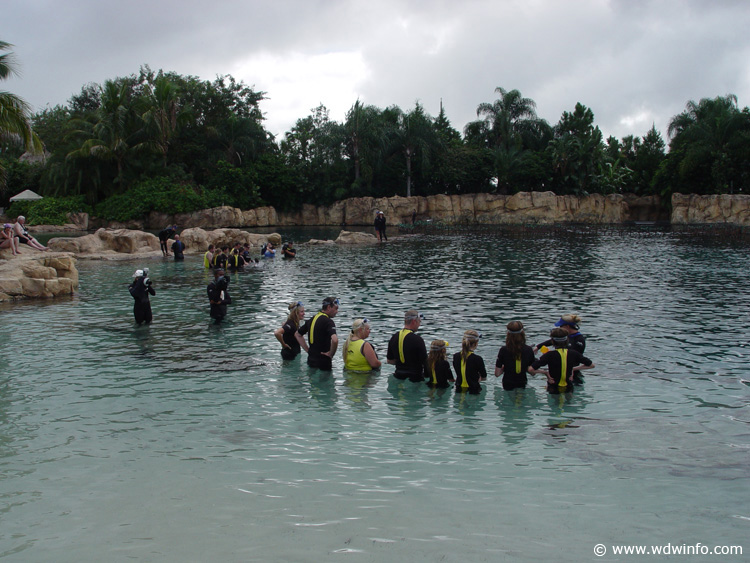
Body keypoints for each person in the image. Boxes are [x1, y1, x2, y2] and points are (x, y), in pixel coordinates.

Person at [530, 328, 595, 394]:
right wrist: (573, 369)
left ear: (552, 341)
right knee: (568, 402)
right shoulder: (574, 353)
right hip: (568, 387)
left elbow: (531, 369)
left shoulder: (549, 355)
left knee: (554, 403)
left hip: (553, 387)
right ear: (567, 340)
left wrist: (545, 373)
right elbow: (591, 365)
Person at [295, 297, 339, 370]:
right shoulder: (328, 322)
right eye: (336, 308)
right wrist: (331, 354)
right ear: (328, 307)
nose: (337, 311)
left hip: (311, 360)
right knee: (325, 381)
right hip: (324, 361)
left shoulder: (312, 319)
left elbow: (297, 334)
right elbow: (335, 340)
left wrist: (308, 350)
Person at [387, 310, 427, 382]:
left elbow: (389, 361)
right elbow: (425, 362)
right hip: (415, 379)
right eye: (419, 322)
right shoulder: (418, 340)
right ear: (414, 321)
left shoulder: (394, 337)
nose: (419, 325)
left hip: (398, 376)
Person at [495, 320, 537, 390]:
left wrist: (505, 367)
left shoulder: (503, 350)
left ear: (508, 333)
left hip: (507, 383)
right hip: (522, 382)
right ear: (522, 333)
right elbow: (533, 373)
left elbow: (497, 374)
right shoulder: (528, 350)